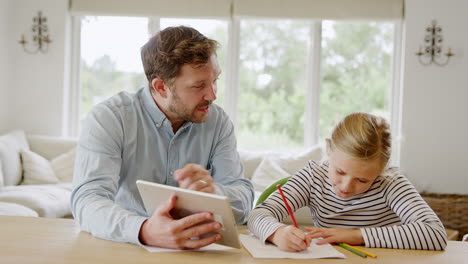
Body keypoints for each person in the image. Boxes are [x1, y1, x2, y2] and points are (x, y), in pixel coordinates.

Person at [71, 26, 254, 249]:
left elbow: (243, 199)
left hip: (202, 250)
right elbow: (87, 200)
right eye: (199, 86)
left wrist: (215, 192)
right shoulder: (110, 118)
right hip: (127, 246)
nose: (213, 95)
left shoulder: (218, 122)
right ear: (160, 87)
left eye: (215, 80)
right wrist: (144, 230)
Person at [248, 112, 447, 252]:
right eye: (340, 171)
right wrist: (277, 232)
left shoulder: (390, 183)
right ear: (329, 150)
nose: (346, 187)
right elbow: (258, 214)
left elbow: (435, 233)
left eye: (362, 180)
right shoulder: (313, 176)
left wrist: (356, 235)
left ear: (383, 168)